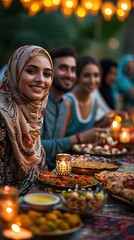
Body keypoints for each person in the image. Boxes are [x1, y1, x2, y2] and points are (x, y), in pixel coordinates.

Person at [0, 45, 53, 196]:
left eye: (47, 74)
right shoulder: (2, 117)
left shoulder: (34, 115)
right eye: (31, 71)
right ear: (15, 72)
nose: (40, 80)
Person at [41, 47, 104, 170]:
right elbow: (34, 148)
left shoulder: (63, 104)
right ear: (50, 71)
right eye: (63, 68)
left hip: (56, 172)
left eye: (73, 69)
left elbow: (58, 146)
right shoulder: (38, 103)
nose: (69, 75)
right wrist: (78, 138)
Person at [63, 55, 111, 137]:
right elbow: (59, 140)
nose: (92, 81)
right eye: (86, 75)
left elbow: (87, 132)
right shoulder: (68, 102)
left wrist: (101, 124)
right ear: (77, 77)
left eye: (96, 75)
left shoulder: (94, 101)